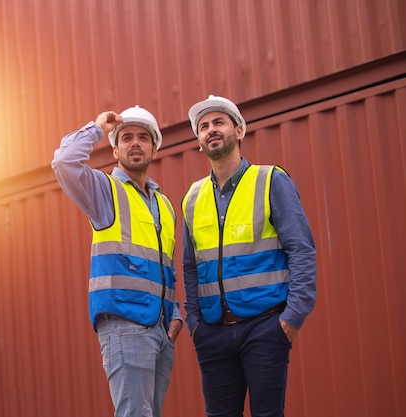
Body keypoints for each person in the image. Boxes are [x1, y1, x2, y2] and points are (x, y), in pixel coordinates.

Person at [181, 95, 317, 417]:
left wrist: (291, 319)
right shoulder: (192, 197)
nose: (211, 130)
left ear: (239, 130)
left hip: (266, 328)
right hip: (212, 333)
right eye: (203, 127)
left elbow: (302, 250)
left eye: (219, 122)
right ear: (199, 141)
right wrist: (195, 324)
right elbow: (190, 266)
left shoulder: (270, 180)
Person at [52, 106, 183, 417]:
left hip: (160, 329)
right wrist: (98, 127)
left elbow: (165, 264)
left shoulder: (163, 205)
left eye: (142, 137)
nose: (135, 143)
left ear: (155, 147)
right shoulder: (105, 190)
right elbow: (63, 162)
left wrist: (175, 312)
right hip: (126, 326)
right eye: (126, 138)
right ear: (115, 148)